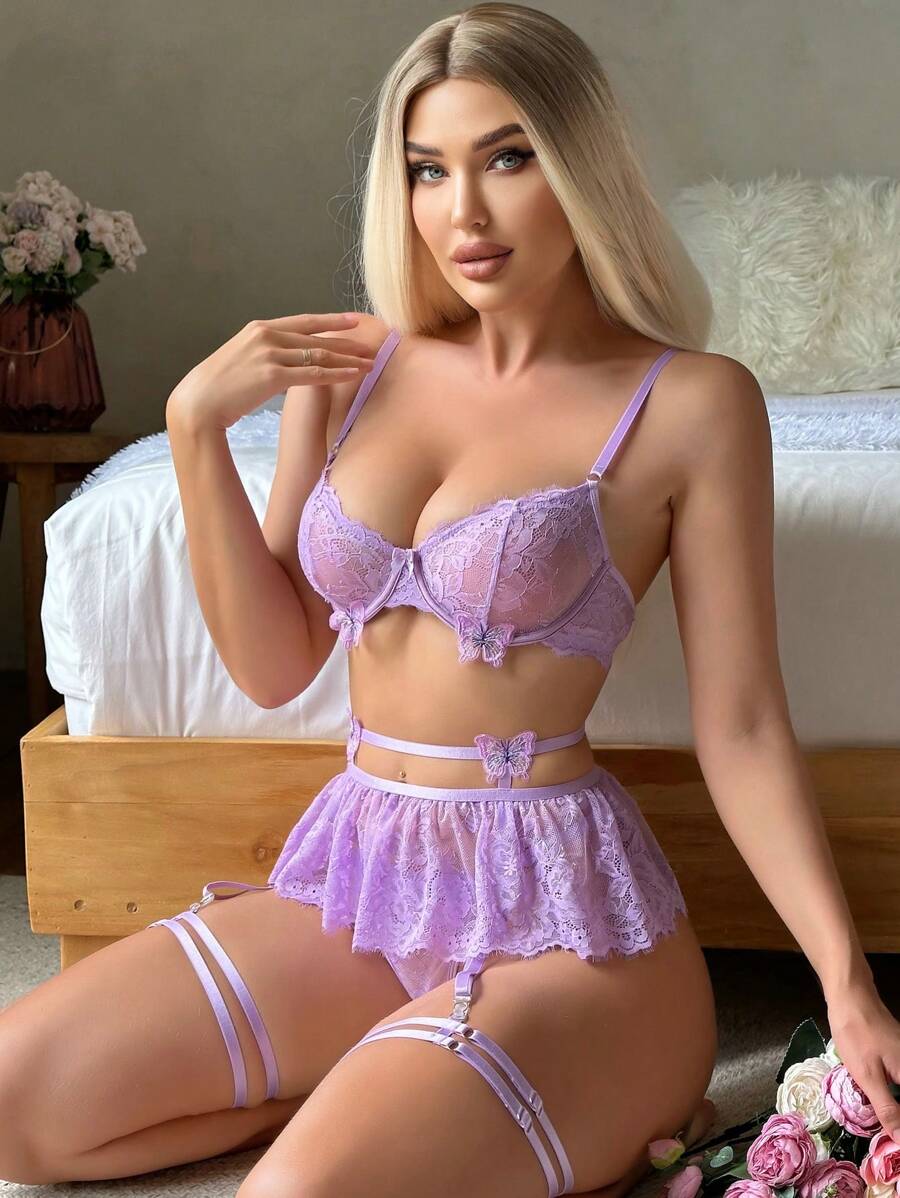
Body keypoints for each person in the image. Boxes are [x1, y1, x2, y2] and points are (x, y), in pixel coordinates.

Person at [3, 3, 892, 1195]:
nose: (462, 212)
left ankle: (512, 1093)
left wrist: (847, 982)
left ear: (580, 167)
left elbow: (739, 723)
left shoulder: (691, 403)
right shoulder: (350, 368)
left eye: (507, 158)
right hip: (362, 882)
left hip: (564, 924)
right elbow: (273, 664)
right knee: (14, 1105)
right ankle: (382, 1089)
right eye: (429, 170)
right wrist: (194, 427)